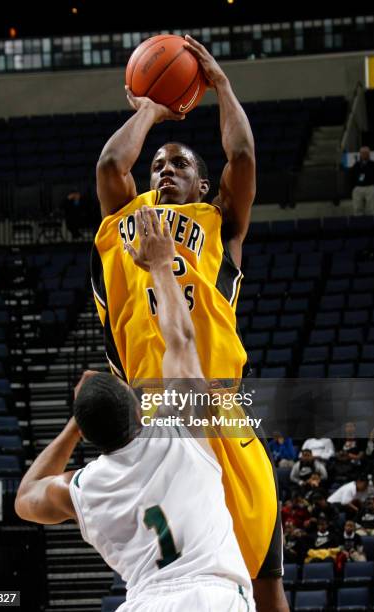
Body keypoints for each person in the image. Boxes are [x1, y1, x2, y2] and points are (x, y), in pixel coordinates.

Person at [93, 34, 286, 610]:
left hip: (219, 406)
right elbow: (111, 163)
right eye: (157, 164)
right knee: (177, 582)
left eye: (179, 163)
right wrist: (152, 106)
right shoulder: (127, 218)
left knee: (263, 582)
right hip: (156, 417)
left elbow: (244, 159)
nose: (164, 169)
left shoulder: (218, 222)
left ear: (203, 185)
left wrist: (221, 85)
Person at [15, 209, 255, 611]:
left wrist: (75, 422)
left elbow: (25, 498)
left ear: (89, 436)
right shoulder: (178, 429)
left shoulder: (84, 488)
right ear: (141, 410)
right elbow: (180, 338)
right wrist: (161, 264)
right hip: (212, 595)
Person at [350, 146, 374, 215]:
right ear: (360, 154)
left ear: (369, 154)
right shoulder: (356, 165)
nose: (364, 154)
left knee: (372, 208)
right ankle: (358, 224)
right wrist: (353, 186)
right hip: (358, 187)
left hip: (370, 187)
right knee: (357, 208)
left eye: (366, 153)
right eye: (363, 153)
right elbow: (351, 176)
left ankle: (373, 224)